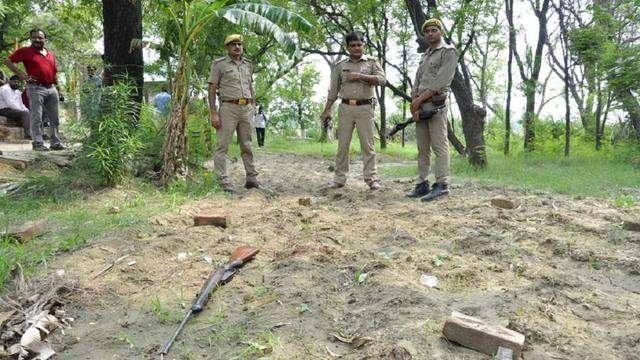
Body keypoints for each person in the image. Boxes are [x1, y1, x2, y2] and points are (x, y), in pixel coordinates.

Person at [320, 30, 386, 190]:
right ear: (348, 48)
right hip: (345, 108)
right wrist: (327, 110)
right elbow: (333, 91)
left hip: (365, 107)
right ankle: (339, 179)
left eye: (359, 44)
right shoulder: (340, 66)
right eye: (353, 45)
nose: (356, 48)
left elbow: (382, 80)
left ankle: (372, 179)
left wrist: (360, 76)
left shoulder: (371, 63)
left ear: (363, 45)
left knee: (368, 145)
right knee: (343, 145)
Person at [407, 19, 459, 201]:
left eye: (434, 30)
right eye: (427, 31)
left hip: (436, 104)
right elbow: (417, 81)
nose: (430, 33)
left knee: (439, 145)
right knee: (422, 148)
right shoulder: (425, 56)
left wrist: (419, 100)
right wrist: (414, 102)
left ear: (441, 31)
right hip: (420, 106)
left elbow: (441, 81)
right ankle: (422, 184)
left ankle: (442, 184)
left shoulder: (449, 52)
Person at [208, 34, 259, 193]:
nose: (237, 47)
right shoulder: (219, 65)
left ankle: (251, 177)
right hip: (228, 108)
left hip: (246, 109)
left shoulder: (247, 65)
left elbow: (250, 86)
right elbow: (212, 89)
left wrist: (253, 105)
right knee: (222, 145)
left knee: (247, 144)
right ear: (227, 48)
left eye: (239, 44)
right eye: (233, 44)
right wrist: (213, 113)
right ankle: (223, 180)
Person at [4, 28, 65, 151]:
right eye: (34, 37)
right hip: (35, 88)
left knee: (54, 118)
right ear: (31, 39)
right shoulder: (26, 51)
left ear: (45, 39)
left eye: (40, 37)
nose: (37, 39)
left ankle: (55, 143)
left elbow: (54, 74)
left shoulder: (50, 54)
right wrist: (22, 75)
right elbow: (8, 61)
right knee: (37, 117)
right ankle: (38, 144)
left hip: (51, 88)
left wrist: (59, 89)